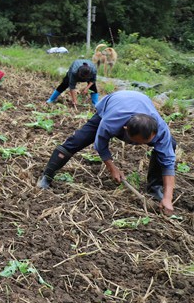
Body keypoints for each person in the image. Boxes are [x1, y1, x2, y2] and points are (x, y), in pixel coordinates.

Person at [37, 91, 177, 215]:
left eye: (145, 142)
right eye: (137, 142)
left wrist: (168, 197)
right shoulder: (111, 121)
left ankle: (155, 189)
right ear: (125, 129)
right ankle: (47, 175)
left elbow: (168, 162)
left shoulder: (160, 130)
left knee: (170, 145)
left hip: (139, 103)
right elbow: (100, 144)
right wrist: (112, 168)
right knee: (77, 140)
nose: (140, 146)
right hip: (114, 103)